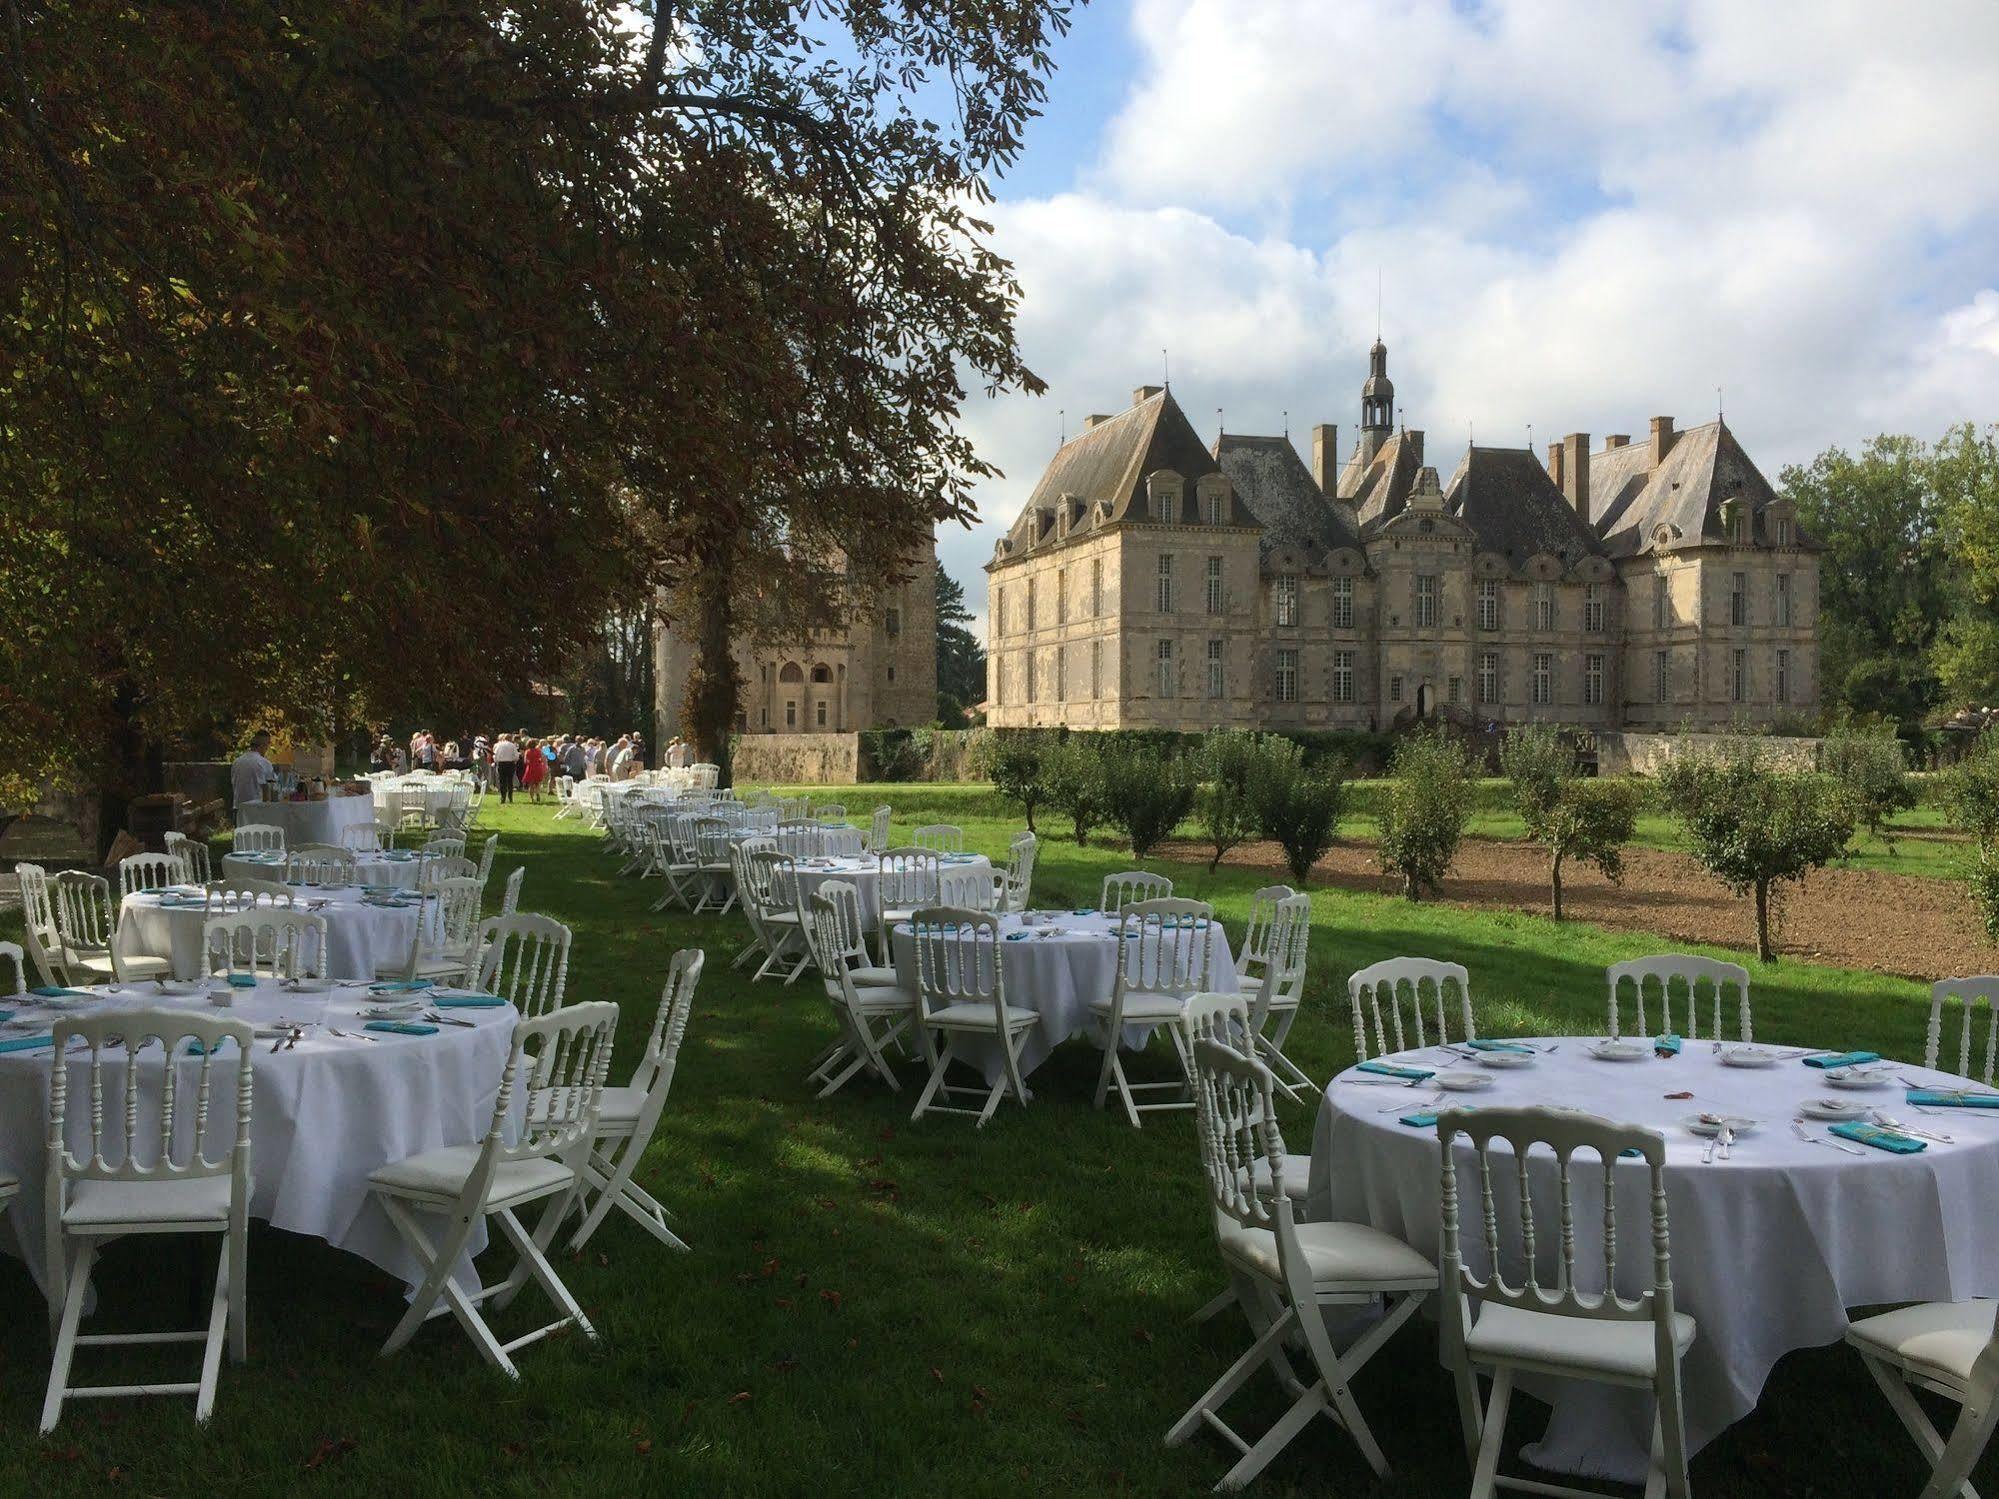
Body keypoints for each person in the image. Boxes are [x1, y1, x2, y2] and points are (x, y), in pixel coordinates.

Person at [231, 731, 278, 818]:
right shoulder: (264, 763)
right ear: (263, 745)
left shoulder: (236, 762)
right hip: (256, 810)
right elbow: (270, 790)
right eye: (267, 745)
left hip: (238, 809)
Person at [492, 730, 521, 803]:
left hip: (501, 764)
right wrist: (514, 760)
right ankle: (510, 797)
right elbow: (516, 756)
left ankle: (503, 797)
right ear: (510, 738)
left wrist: (496, 761)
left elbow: (495, 755)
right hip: (510, 764)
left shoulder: (499, 745)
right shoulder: (512, 745)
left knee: (502, 781)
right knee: (510, 781)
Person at [521, 736, 548, 803]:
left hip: (530, 768)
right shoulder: (538, 751)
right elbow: (541, 759)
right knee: (537, 783)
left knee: (531, 784)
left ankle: (532, 798)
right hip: (538, 767)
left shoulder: (527, 751)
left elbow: (525, 761)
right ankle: (537, 793)